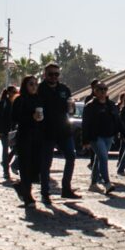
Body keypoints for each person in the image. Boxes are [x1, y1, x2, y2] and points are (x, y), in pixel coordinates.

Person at [38, 63, 81, 201]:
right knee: (46, 163)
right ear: (45, 74)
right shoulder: (40, 89)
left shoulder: (64, 89)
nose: (54, 77)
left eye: (56, 74)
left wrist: (72, 107)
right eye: (51, 74)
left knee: (71, 156)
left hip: (63, 130)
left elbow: (71, 110)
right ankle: (45, 192)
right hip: (46, 131)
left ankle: (66, 188)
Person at [82, 82, 125, 194]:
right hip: (96, 137)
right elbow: (86, 124)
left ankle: (93, 184)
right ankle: (107, 183)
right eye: (100, 89)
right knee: (103, 158)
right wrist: (85, 140)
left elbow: (118, 120)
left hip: (108, 136)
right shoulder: (90, 106)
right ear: (95, 91)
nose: (103, 91)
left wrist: (124, 133)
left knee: (99, 158)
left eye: (105, 89)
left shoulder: (111, 105)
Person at [12, 76, 43, 208]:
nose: (34, 87)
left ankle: (21, 186)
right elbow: (15, 117)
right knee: (25, 166)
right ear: (25, 85)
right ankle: (27, 196)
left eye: (36, 84)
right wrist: (31, 117)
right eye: (31, 84)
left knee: (36, 165)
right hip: (24, 135)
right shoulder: (20, 100)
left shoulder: (38, 99)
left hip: (37, 136)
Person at [0, 86, 17, 180]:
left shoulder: (15, 102)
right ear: (9, 93)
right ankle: (6, 172)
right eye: (14, 92)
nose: (15, 93)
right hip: (5, 131)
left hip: (14, 131)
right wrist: (0, 131)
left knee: (16, 147)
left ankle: (5, 162)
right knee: (5, 150)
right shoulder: (3, 103)